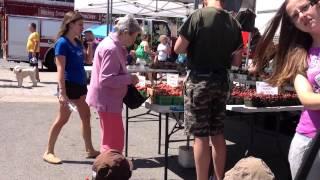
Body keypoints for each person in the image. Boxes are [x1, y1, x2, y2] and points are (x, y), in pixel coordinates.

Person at [249, 0, 320, 179]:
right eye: (295, 16)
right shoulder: (299, 55)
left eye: (304, 7)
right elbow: (307, 99)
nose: (301, 15)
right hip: (310, 142)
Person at [174, 0, 243, 179]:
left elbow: (178, 48)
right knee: (218, 133)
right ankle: (220, 178)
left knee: (201, 136)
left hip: (199, 82)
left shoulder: (198, 16)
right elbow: (236, 62)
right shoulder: (234, 22)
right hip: (221, 83)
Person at [43, 11, 99, 164]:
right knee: (62, 119)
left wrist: (89, 45)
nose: (83, 27)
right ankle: (48, 151)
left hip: (80, 85)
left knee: (86, 117)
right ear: (70, 24)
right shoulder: (62, 43)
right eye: (80, 24)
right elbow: (60, 69)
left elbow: (88, 60)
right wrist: (62, 93)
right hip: (68, 85)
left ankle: (89, 149)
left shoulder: (78, 42)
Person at [86, 14, 140, 153]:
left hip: (108, 101)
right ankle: (110, 169)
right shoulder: (112, 48)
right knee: (114, 143)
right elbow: (106, 79)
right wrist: (129, 79)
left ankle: (107, 168)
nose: (134, 41)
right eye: (134, 37)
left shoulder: (112, 45)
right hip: (108, 101)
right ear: (126, 33)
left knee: (110, 138)